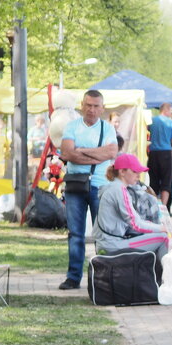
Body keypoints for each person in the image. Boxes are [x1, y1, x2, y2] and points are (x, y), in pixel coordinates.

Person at [58, 89, 118, 290]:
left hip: (100, 186)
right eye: (88, 105)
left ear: (102, 109)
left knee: (103, 232)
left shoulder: (107, 128)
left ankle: (105, 277)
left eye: (95, 106)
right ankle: (73, 277)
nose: (91, 110)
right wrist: (95, 155)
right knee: (75, 233)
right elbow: (67, 153)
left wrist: (81, 151)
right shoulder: (72, 126)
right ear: (82, 106)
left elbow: (111, 153)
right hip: (75, 185)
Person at [94, 153, 172, 264]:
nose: (139, 175)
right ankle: (165, 279)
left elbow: (135, 223)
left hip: (108, 243)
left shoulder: (113, 187)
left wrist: (160, 228)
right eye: (135, 171)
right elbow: (136, 225)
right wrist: (165, 228)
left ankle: (158, 277)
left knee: (159, 234)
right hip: (113, 245)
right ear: (122, 172)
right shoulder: (119, 190)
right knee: (163, 238)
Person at [148, 102, 172, 213]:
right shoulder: (171, 123)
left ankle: (154, 206)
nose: (171, 113)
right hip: (166, 153)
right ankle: (163, 208)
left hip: (152, 153)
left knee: (153, 181)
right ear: (166, 110)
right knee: (166, 182)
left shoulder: (151, 121)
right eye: (171, 111)